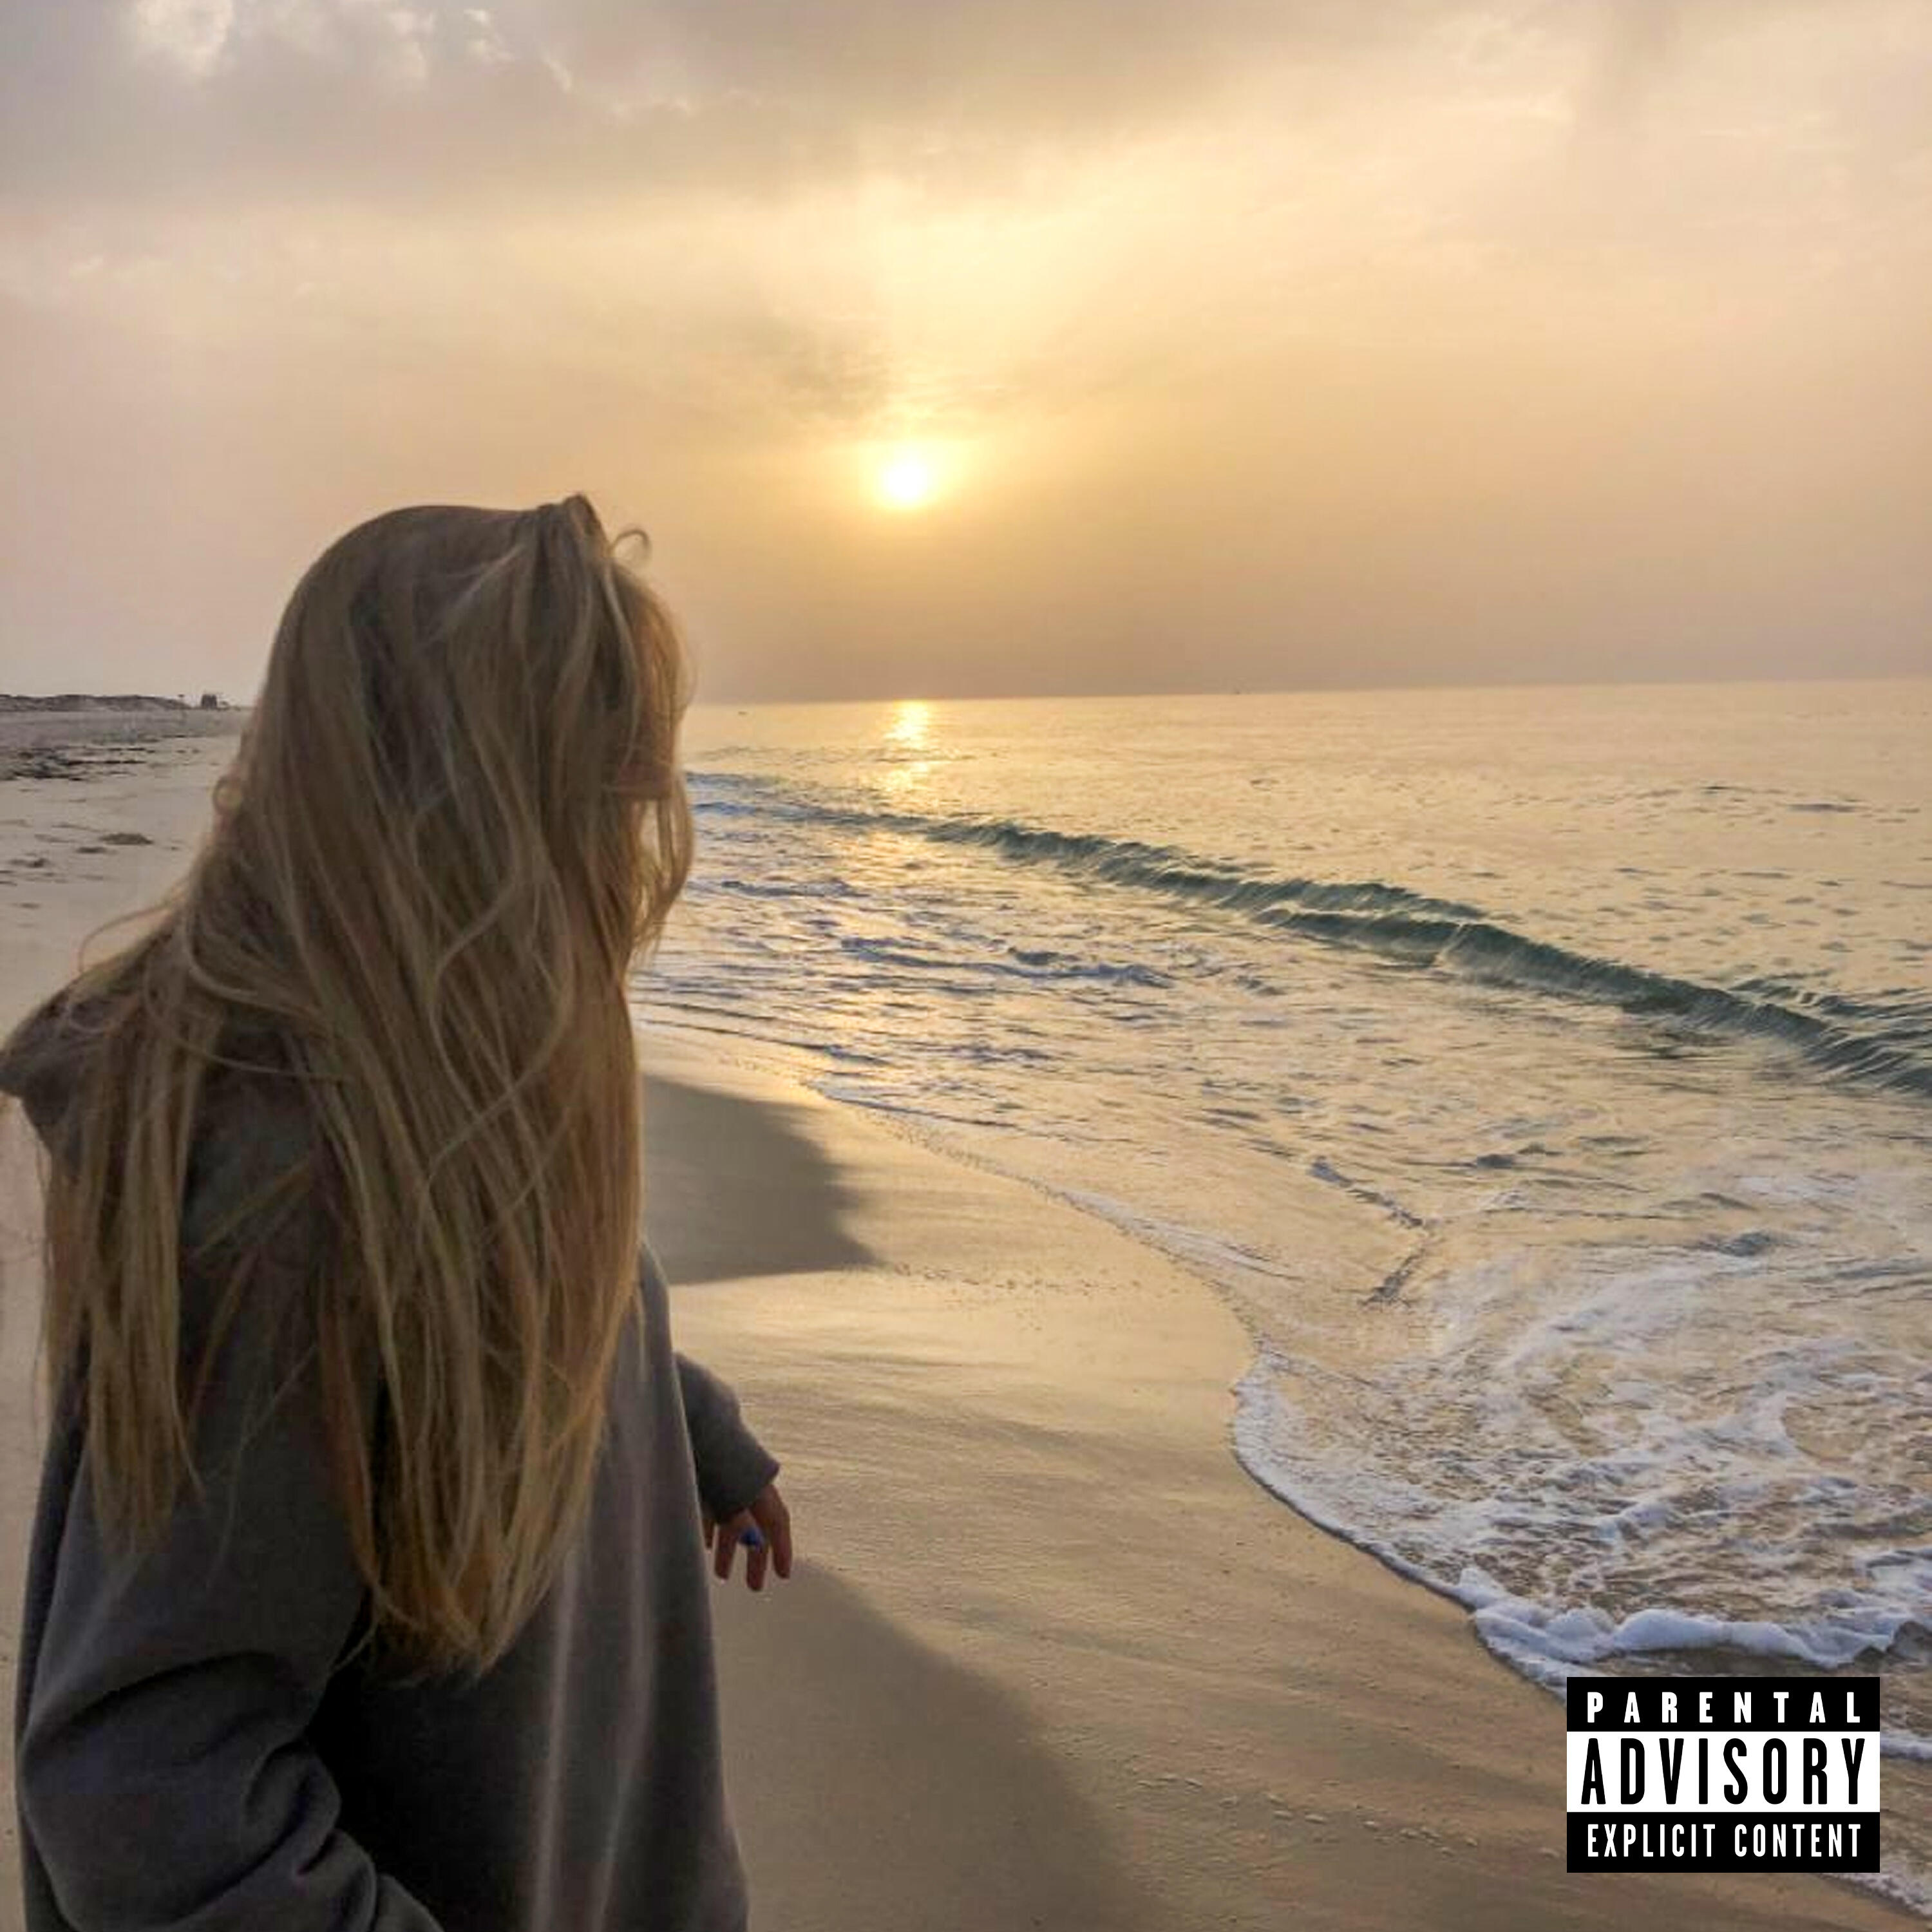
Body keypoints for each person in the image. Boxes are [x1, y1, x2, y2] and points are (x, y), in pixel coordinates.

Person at [0, 496, 792, 1931]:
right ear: (449, 804)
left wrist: (690, 1428)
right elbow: (149, 1789)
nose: (628, 850)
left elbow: (523, 1313)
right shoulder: (289, 1189)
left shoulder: (462, 1077)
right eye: (596, 791)